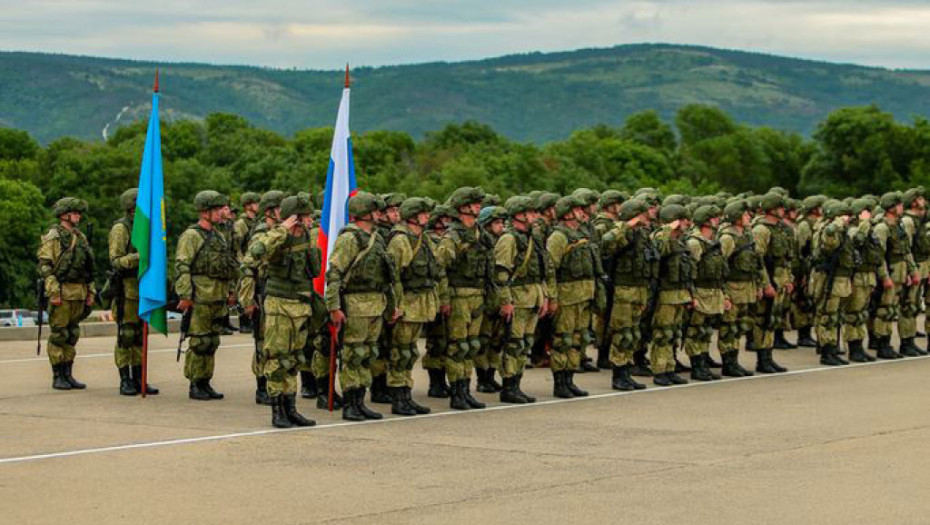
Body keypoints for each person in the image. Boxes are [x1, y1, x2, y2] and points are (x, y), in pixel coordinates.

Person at [325, 191, 399, 421]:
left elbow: (386, 277)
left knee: (368, 354)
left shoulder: (377, 237)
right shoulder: (350, 238)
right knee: (353, 355)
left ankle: (360, 400)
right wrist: (334, 307)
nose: (380, 214)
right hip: (355, 304)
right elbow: (334, 273)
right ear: (364, 213)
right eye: (376, 210)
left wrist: (392, 306)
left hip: (376, 303)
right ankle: (350, 404)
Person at [249, 195, 318, 428]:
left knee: (294, 359)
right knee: (277, 359)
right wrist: (281, 229)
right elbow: (255, 252)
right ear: (295, 218)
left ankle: (291, 409)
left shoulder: (308, 236)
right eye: (306, 216)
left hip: (300, 304)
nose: (311, 219)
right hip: (279, 304)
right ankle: (277, 410)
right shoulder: (277, 236)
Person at [384, 197, 447, 415]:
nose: (427, 217)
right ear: (412, 216)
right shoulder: (400, 240)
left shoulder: (423, 238)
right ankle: (398, 397)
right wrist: (395, 305)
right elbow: (394, 277)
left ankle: (405, 394)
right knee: (400, 351)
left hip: (420, 303)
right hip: (407, 304)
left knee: (409, 351)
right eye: (423, 213)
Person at [175, 190, 239, 400]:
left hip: (217, 295)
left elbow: (227, 266)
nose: (221, 213)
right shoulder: (191, 236)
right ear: (204, 212)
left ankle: (206, 381)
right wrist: (185, 294)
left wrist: (231, 291)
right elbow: (182, 266)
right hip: (200, 295)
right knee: (199, 342)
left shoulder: (219, 236)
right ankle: (195, 382)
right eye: (216, 209)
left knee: (212, 341)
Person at [436, 187, 495, 410]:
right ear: (462, 207)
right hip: (458, 296)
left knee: (471, 346)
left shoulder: (480, 233)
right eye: (473, 203)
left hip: (477, 295)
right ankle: (457, 393)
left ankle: (465, 390)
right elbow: (439, 267)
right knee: (458, 346)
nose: (478, 206)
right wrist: (444, 298)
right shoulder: (453, 236)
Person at [494, 196, 549, 403]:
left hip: (532, 296)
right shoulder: (509, 239)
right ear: (519, 215)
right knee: (514, 343)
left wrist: (543, 296)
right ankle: (508, 386)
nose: (535, 217)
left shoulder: (532, 237)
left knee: (525, 343)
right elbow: (501, 273)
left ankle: (516, 384)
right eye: (531, 212)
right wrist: (505, 301)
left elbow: (540, 270)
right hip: (517, 297)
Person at [38, 197, 96, 390]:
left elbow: (88, 269)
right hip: (62, 292)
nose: (78, 216)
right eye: (75, 213)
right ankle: (58, 375)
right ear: (64, 215)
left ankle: (68, 373)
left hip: (78, 292)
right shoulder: (54, 237)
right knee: (59, 335)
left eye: (79, 213)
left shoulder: (80, 237)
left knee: (72, 334)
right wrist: (53, 291)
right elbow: (45, 266)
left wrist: (91, 291)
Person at [546, 195, 598, 398]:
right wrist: (552, 297)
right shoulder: (559, 237)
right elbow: (550, 269)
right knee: (563, 340)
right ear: (567, 213)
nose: (582, 212)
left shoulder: (582, 234)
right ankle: (560, 382)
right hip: (566, 296)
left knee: (578, 339)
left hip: (584, 294)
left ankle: (570, 379)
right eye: (577, 209)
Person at [107, 188, 158, 395]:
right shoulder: (121, 228)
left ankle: (139, 377)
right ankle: (125, 379)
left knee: (139, 337)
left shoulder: (146, 227)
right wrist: (140, 257)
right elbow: (116, 260)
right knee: (126, 335)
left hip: (143, 288)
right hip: (126, 290)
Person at [601, 198, 654, 391]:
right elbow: (606, 242)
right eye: (642, 214)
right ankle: (618, 375)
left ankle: (626, 372)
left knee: (633, 333)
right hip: (624, 290)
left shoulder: (642, 234)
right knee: (622, 333)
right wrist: (625, 225)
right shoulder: (622, 233)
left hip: (639, 289)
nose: (647, 216)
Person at [238, 190, 285, 406]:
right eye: (280, 208)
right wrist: (247, 300)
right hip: (263, 293)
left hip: (280, 293)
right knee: (263, 343)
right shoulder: (260, 235)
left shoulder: (284, 232)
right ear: (270, 211)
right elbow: (248, 268)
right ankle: (261, 386)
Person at [649, 204, 694, 386]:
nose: (687, 223)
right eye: (683, 220)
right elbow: (657, 251)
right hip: (665, 294)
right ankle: (660, 370)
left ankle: (669, 367)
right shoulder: (660, 238)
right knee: (662, 333)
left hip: (680, 293)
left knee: (673, 333)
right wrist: (668, 229)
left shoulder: (681, 241)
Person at [872, 191, 921, 358]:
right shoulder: (882, 227)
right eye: (899, 205)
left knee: (903, 308)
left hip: (901, 273)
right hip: (891, 273)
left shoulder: (898, 226)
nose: (901, 208)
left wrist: (913, 271)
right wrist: (885, 277)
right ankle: (882, 344)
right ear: (891, 208)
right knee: (885, 310)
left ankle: (907, 343)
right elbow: (879, 256)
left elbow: (906, 251)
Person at [683, 205, 726, 381]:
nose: (718, 220)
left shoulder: (713, 241)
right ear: (706, 221)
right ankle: (697, 366)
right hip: (700, 291)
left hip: (713, 291)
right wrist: (691, 295)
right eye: (714, 218)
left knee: (705, 330)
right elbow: (690, 272)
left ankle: (703, 362)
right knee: (696, 330)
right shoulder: (695, 243)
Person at [716, 200, 760, 377]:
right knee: (728, 327)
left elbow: (756, 263)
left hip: (746, 288)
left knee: (740, 326)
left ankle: (734, 360)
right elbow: (720, 267)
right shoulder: (727, 238)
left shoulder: (747, 235)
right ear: (736, 218)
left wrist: (760, 284)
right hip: (732, 289)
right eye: (745, 215)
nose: (749, 217)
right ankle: (728, 363)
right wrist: (724, 294)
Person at [809, 200, 855, 366]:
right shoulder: (829, 231)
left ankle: (832, 349)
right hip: (830, 278)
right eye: (843, 215)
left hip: (841, 277)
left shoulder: (842, 231)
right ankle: (827, 352)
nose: (847, 219)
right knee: (828, 315)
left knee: (835, 315)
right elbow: (829, 247)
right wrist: (836, 226)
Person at [751, 193, 791, 374]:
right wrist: (765, 284)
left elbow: (786, 257)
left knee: (773, 319)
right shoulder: (761, 230)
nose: (784, 210)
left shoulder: (781, 228)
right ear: (772, 209)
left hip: (780, 278)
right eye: (781, 207)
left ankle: (768, 355)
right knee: (763, 319)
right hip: (769, 278)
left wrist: (788, 279)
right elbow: (757, 260)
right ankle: (762, 359)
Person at [475, 206, 508, 393]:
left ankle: (491, 375)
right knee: (483, 339)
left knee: (498, 339)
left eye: (502, 222)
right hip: (486, 296)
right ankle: (482, 377)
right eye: (496, 223)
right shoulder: (481, 242)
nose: (500, 226)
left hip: (499, 295)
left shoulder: (505, 241)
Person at [233, 192, 261, 334]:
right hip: (245, 262)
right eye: (255, 203)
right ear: (248, 206)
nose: (258, 205)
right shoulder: (241, 223)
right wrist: (242, 262)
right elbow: (236, 245)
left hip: (255, 262)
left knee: (255, 292)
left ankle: (252, 320)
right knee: (244, 291)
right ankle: (244, 322)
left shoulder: (256, 221)